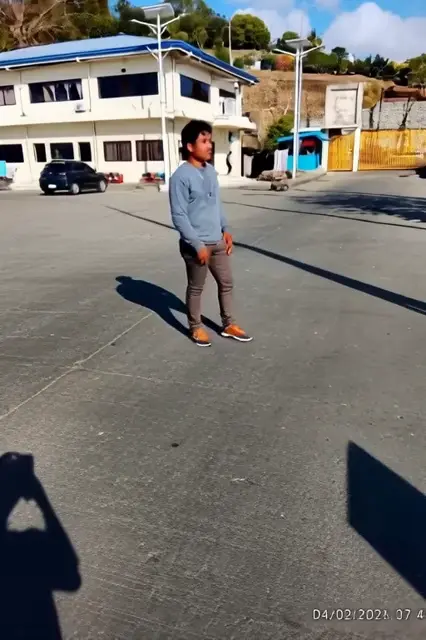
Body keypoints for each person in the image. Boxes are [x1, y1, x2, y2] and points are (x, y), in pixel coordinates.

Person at [169, 120, 253, 347]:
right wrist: (197, 245)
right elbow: (178, 216)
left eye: (210, 141)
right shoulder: (180, 177)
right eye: (204, 141)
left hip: (217, 241)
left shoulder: (210, 172)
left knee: (227, 283)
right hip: (196, 244)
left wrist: (226, 229)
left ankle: (229, 324)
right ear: (190, 146)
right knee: (196, 287)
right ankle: (195, 327)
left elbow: (216, 204)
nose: (210, 145)